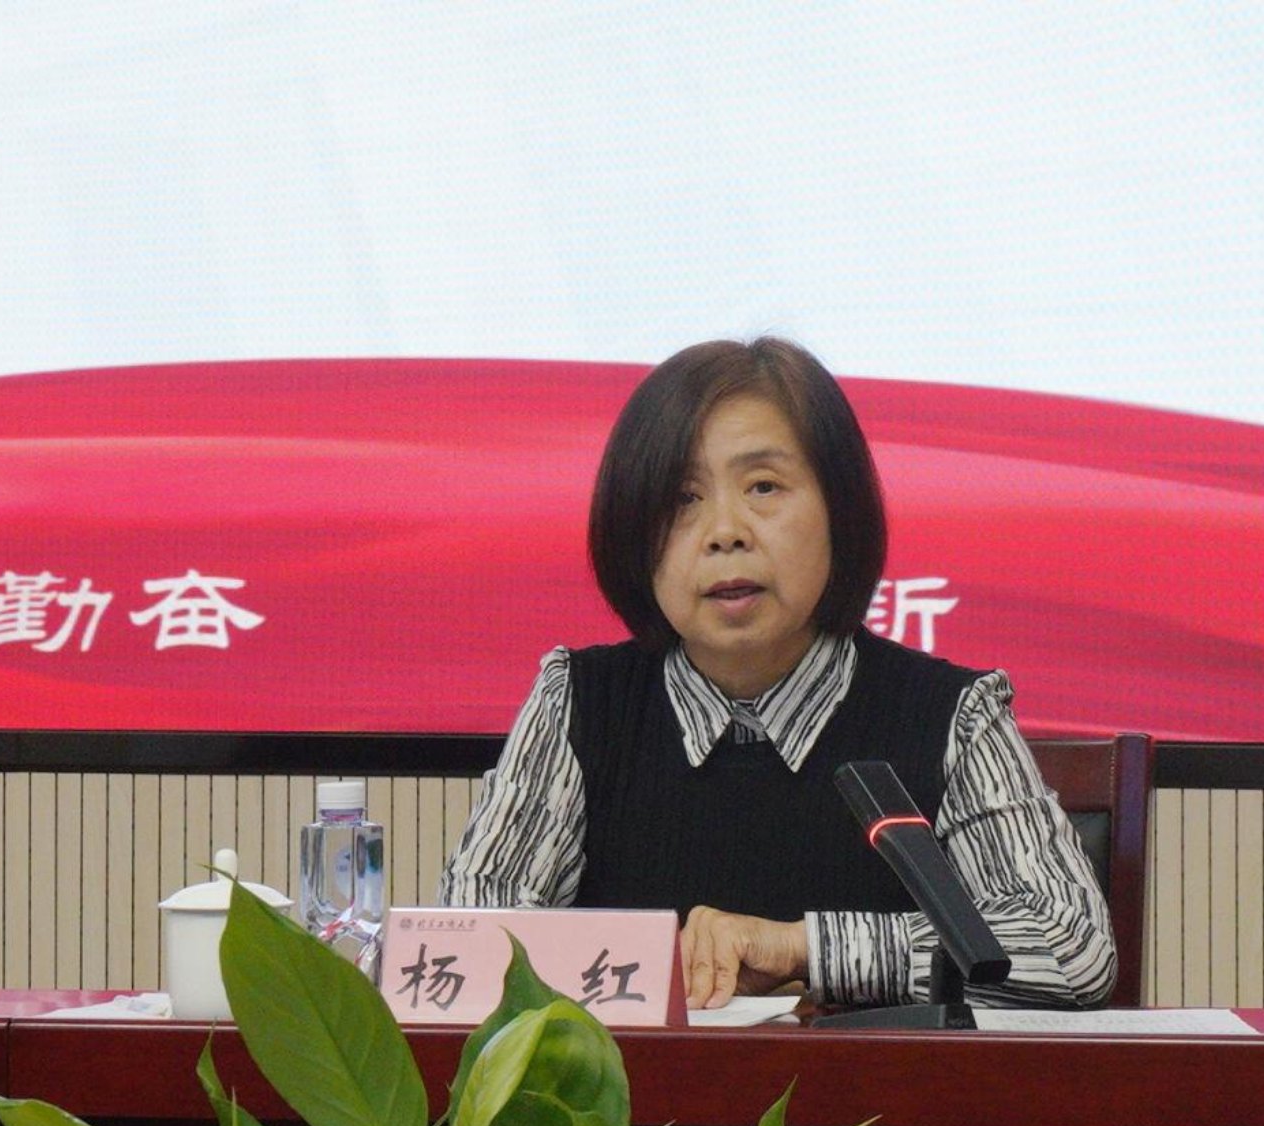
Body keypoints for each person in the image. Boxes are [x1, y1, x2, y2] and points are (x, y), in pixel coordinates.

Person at [439, 337, 1114, 1011]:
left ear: (840, 511)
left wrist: (802, 948)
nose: (724, 531)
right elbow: (472, 941)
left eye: (763, 487)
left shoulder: (951, 716)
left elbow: (1074, 951)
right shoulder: (578, 705)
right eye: (681, 498)